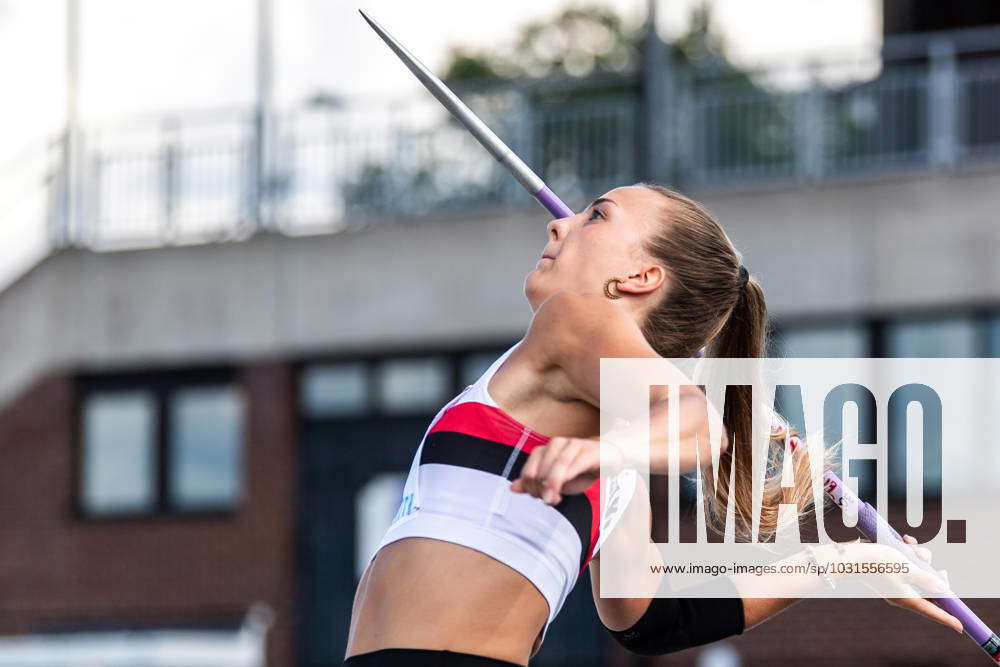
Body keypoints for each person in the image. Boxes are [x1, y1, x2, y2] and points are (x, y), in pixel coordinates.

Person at [344, 184, 961, 666]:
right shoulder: (620, 472)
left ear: (639, 279)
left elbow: (698, 424)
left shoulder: (574, 320)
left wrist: (606, 452)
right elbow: (651, 621)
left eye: (597, 217)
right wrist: (837, 564)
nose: (559, 223)